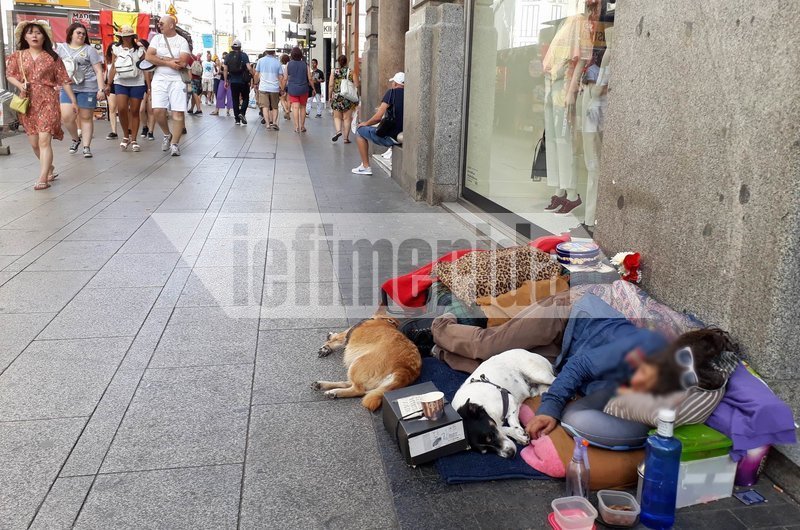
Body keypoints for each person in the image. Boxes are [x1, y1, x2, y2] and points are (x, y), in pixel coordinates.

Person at [5, 20, 77, 190]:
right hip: (28, 102)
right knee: (35, 143)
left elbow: (64, 80)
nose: (34, 35)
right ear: (24, 36)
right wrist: (19, 84)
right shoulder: (18, 56)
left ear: (44, 36)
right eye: (30, 32)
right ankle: (49, 167)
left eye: (38, 32)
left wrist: (73, 100)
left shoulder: (53, 57)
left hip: (49, 100)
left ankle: (43, 177)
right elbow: (10, 74)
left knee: (45, 140)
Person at [145, 14, 191, 156]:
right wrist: (168, 62)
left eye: (162, 23)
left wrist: (160, 58)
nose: (159, 25)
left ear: (171, 25)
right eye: (159, 23)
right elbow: (148, 56)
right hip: (159, 79)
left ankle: (175, 144)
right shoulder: (156, 39)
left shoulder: (182, 41)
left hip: (177, 80)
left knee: (177, 112)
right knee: (157, 111)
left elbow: (182, 62)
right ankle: (167, 134)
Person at [57, 22, 104, 158]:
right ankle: (75, 139)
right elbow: (56, 69)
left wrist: (100, 89)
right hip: (67, 87)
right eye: (78, 33)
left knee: (86, 117)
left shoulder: (90, 50)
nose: (82, 35)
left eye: (84, 34)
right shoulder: (61, 49)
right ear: (70, 33)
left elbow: (98, 70)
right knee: (67, 117)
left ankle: (86, 146)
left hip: (88, 87)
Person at [352, 72, 404, 175]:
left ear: (396, 83)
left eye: (393, 82)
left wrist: (365, 123)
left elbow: (377, 117)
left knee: (359, 131)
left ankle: (365, 166)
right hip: (402, 135)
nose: (392, 84)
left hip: (390, 137)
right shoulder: (410, 95)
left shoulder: (391, 93)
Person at [108, 25, 147, 152]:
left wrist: (149, 85)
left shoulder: (140, 50)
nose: (126, 38)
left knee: (135, 110)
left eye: (128, 36)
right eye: (123, 36)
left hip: (137, 82)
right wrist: (108, 84)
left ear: (132, 37)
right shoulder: (116, 49)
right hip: (120, 82)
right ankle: (126, 135)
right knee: (122, 108)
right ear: (120, 37)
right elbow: (113, 67)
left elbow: (145, 67)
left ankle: (134, 138)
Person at [328, 54, 358, 144]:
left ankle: (338, 131)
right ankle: (346, 138)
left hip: (337, 96)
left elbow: (330, 85)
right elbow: (357, 84)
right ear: (346, 62)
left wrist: (330, 96)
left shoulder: (334, 71)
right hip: (348, 97)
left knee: (337, 117)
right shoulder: (351, 71)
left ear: (338, 62)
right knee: (347, 118)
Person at [254, 44, 284, 130]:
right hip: (274, 88)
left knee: (265, 107)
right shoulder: (277, 62)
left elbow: (256, 74)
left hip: (263, 87)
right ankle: (274, 122)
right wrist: (281, 88)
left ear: (266, 51)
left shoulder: (260, 61)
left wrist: (255, 83)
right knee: (275, 107)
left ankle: (267, 124)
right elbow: (281, 77)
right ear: (274, 52)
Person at [285, 47, 315, 133]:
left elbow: (285, 78)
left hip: (293, 89)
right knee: (302, 107)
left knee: (295, 107)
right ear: (301, 55)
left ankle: (296, 127)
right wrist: (313, 88)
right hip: (303, 89)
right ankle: (302, 126)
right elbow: (310, 78)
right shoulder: (305, 65)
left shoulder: (288, 64)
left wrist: (282, 88)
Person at [223, 40, 251, 125]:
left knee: (235, 100)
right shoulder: (244, 55)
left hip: (233, 81)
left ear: (232, 47)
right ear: (240, 47)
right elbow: (249, 68)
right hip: (243, 81)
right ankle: (242, 113)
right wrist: (253, 74)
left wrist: (225, 81)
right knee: (245, 97)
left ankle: (237, 120)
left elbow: (225, 69)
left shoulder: (227, 56)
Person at [137, 38, 155, 141]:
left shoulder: (150, 58)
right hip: (140, 84)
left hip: (151, 84)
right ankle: (144, 126)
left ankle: (151, 131)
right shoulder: (136, 57)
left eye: (141, 46)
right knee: (141, 109)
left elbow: (148, 72)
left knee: (151, 109)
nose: (139, 48)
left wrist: (149, 88)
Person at [103, 43, 120, 140]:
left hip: (121, 82)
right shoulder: (108, 61)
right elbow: (106, 72)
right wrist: (103, 86)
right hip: (110, 83)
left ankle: (128, 130)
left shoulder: (122, 58)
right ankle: (114, 131)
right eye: (112, 49)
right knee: (112, 108)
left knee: (122, 108)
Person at [279, 53, 290, 121]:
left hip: (282, 84)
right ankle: (288, 112)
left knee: (282, 99)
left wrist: (281, 86)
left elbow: (280, 77)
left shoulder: (280, 67)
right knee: (288, 100)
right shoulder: (289, 66)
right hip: (289, 84)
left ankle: (286, 110)